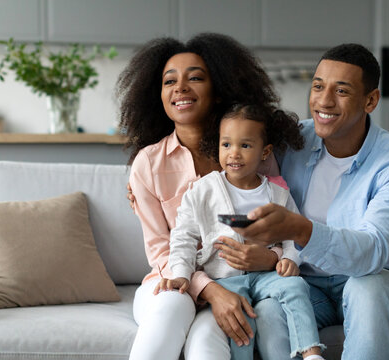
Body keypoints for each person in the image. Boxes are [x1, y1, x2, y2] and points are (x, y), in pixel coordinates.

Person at [230, 43, 389, 360]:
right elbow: (234, 151)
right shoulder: (294, 139)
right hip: (307, 281)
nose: (323, 101)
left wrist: (302, 229)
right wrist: (147, 177)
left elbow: (374, 250)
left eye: (342, 91)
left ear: (370, 100)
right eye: (318, 86)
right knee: (270, 308)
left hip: (371, 278)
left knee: (367, 290)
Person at [117, 33, 288, 360]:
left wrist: (266, 261)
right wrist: (210, 290)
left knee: (207, 344)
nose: (180, 87)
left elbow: (275, 228)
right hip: (170, 283)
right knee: (172, 306)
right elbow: (160, 252)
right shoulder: (148, 164)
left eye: (195, 78)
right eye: (170, 81)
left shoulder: (255, 155)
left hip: (239, 284)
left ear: (219, 90)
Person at [157, 103, 325, 360]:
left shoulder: (278, 194)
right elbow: (184, 238)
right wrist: (181, 274)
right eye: (226, 145)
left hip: (267, 274)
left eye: (245, 146)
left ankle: (311, 353)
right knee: (241, 324)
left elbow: (293, 234)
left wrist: (289, 259)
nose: (234, 153)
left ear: (265, 152)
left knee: (295, 286)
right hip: (225, 280)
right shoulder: (202, 191)